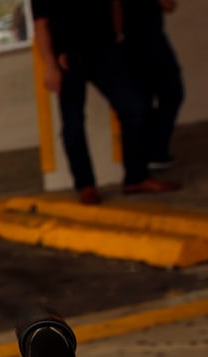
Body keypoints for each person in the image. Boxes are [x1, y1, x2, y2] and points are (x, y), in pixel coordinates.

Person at [32, 0, 179, 205]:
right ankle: (85, 185)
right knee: (73, 122)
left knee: (134, 107)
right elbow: (41, 25)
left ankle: (136, 177)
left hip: (103, 50)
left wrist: (118, 34)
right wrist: (50, 66)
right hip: (67, 57)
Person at [122, 0, 183, 170]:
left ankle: (153, 151)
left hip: (149, 36)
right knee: (151, 97)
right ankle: (151, 153)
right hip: (137, 39)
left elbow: (169, 5)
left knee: (167, 94)